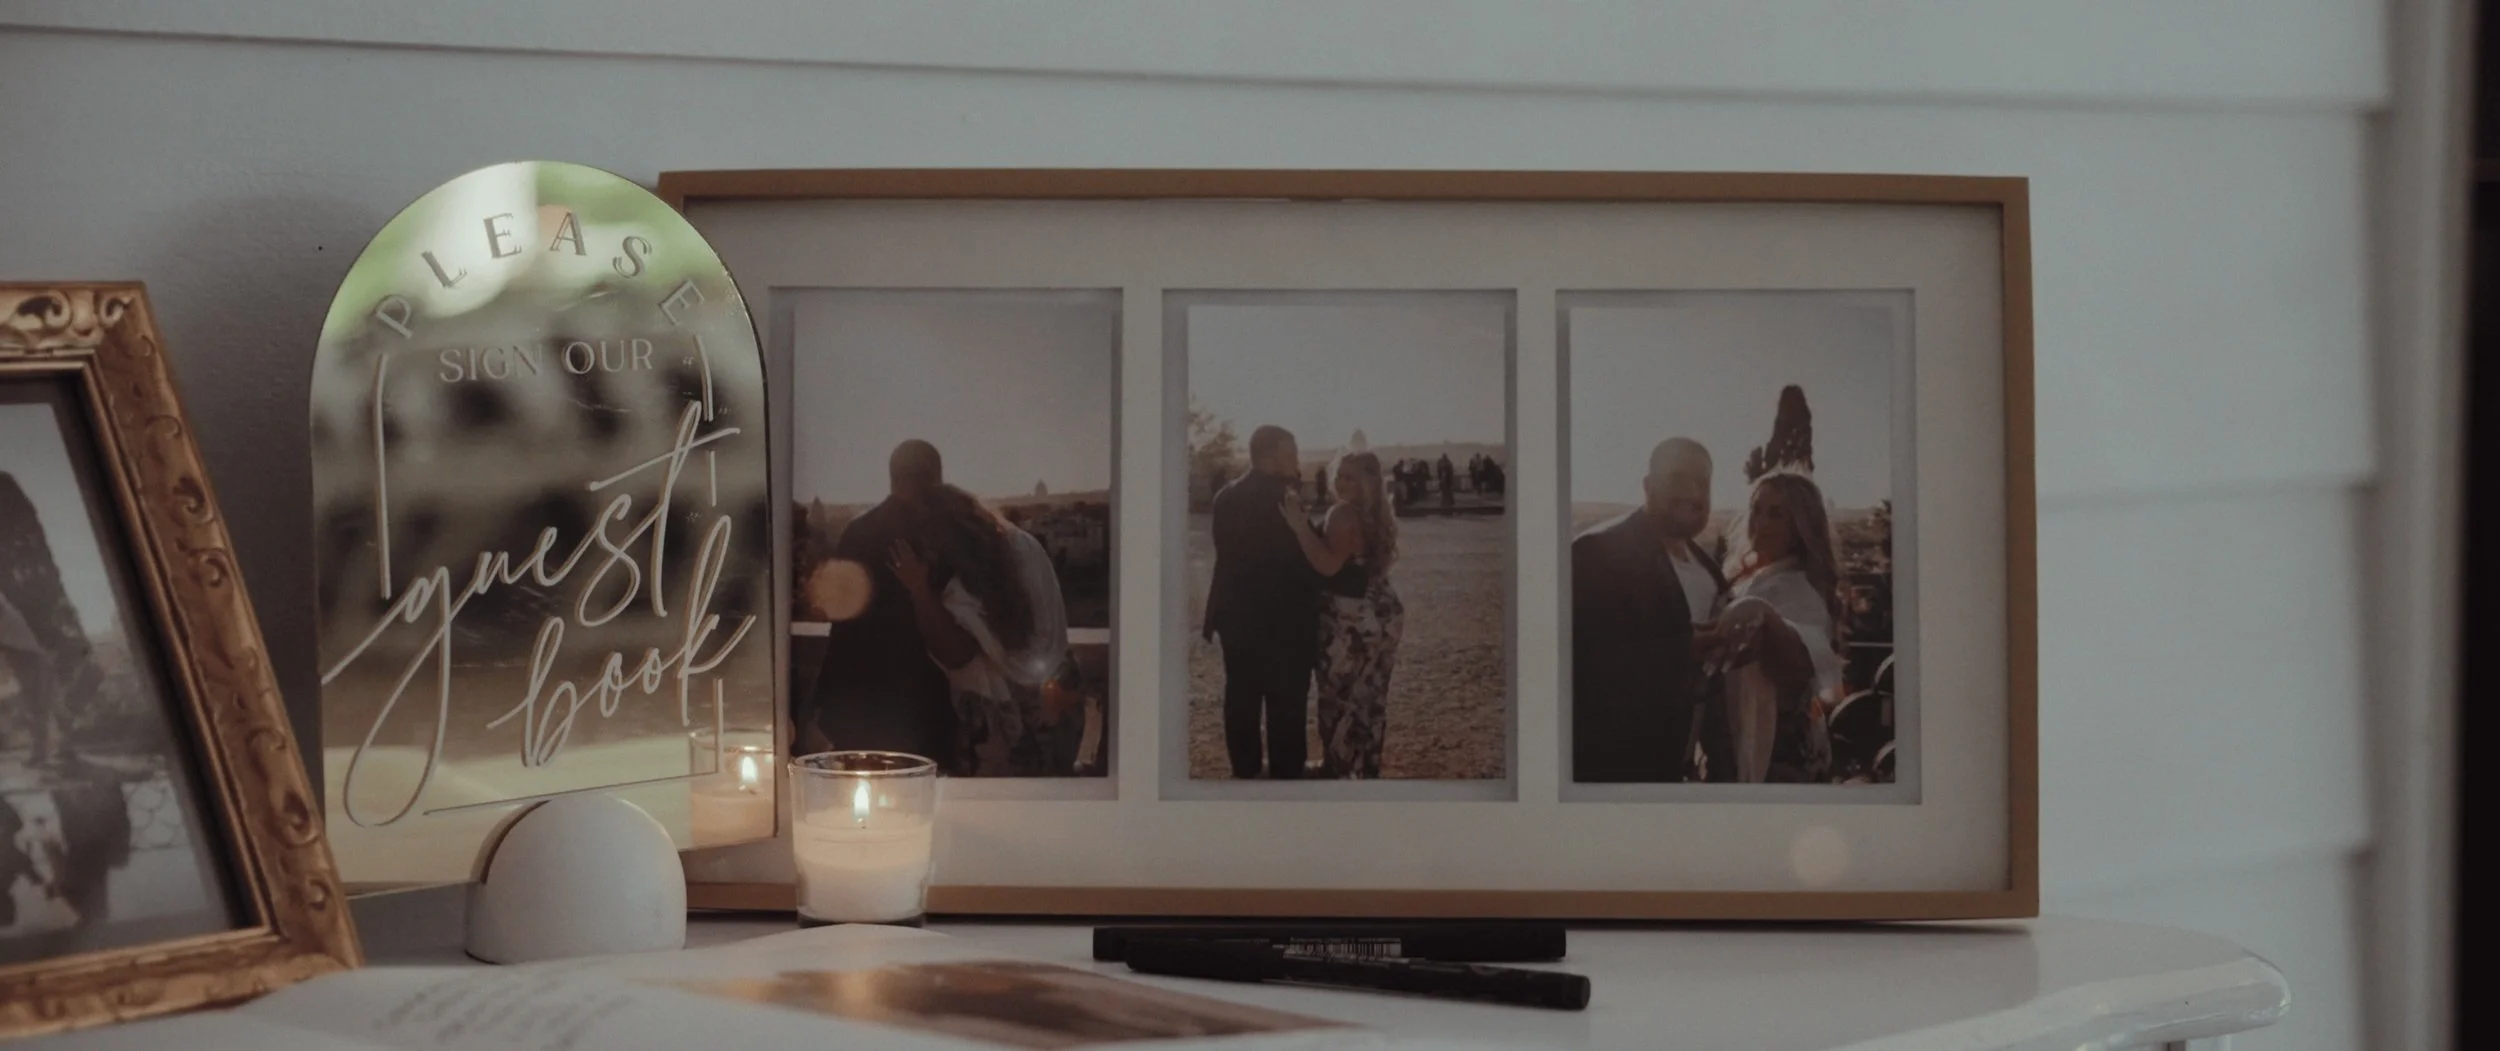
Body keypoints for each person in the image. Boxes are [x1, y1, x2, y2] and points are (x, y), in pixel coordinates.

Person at [887, 482, 1069, 777]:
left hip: (997, 741)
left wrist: (918, 589)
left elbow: (958, 655)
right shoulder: (1024, 548)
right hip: (1052, 721)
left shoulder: (961, 592)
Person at [1569, 439, 1722, 782]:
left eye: (1704, 482)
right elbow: (1581, 666)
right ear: (1648, 486)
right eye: (1679, 479)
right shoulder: (1596, 554)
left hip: (1681, 771)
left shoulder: (1710, 572)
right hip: (1612, 773)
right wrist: (1682, 649)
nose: (1693, 492)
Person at [803, 441, 958, 767]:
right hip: (922, 704)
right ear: (936, 478)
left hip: (860, 703)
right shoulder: (941, 535)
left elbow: (841, 623)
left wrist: (829, 700)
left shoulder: (858, 531)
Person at [1202, 426, 1322, 778]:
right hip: (1284, 621)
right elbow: (1306, 558)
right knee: (1287, 706)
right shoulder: (1285, 498)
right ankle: (1285, 777)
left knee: (1241, 698)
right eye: (1292, 453)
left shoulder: (1225, 497)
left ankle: (1245, 771)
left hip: (1236, 617)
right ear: (1269, 458)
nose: (1297, 461)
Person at [1714, 470, 1842, 783]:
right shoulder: (1751, 579)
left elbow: (1801, 665)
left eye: (1776, 514)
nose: (1762, 523)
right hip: (1736, 741)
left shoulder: (1797, 589)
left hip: (1775, 752)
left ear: (1800, 526)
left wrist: (1761, 616)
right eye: (1757, 510)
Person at [1280, 451, 1402, 779]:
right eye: (1339, 475)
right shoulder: (1378, 512)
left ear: (1367, 481)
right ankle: (1365, 768)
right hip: (1382, 611)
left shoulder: (1342, 512)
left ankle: (1340, 770)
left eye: (1351, 477)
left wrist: (1300, 528)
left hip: (1350, 618)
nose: (1342, 482)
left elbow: (1329, 565)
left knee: (1340, 697)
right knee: (1371, 697)